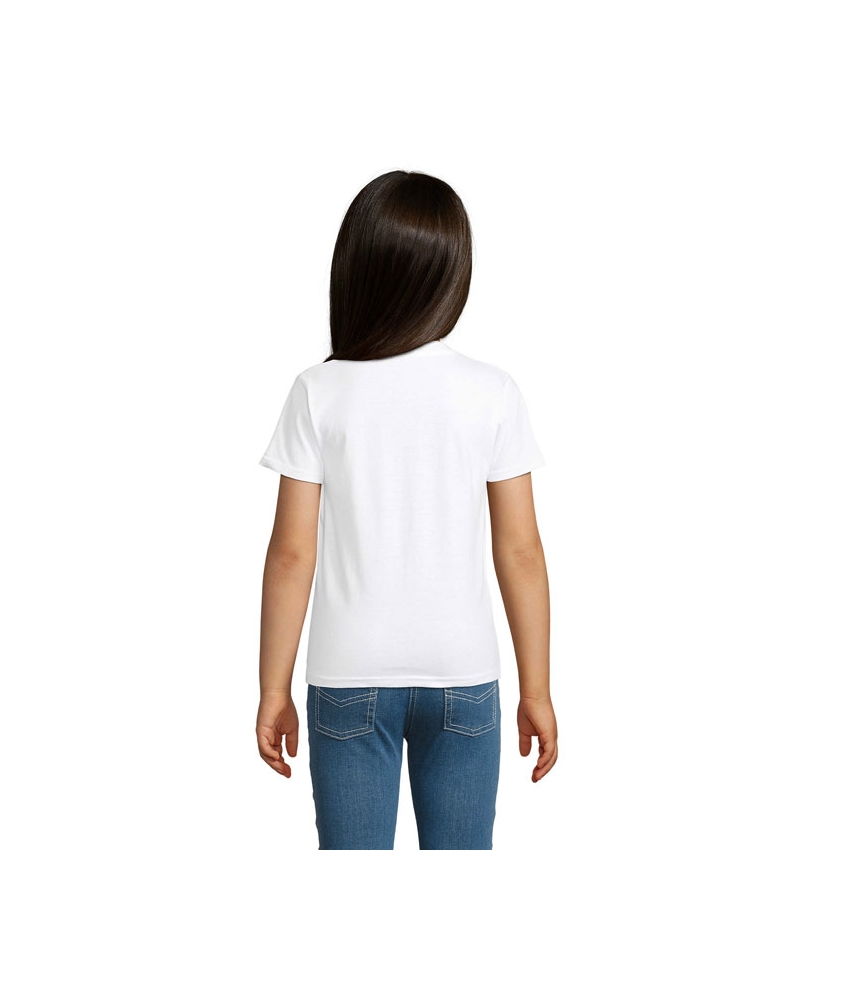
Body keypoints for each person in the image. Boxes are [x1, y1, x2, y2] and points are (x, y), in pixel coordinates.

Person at [255, 170, 558, 850]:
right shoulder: (492, 392)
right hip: (463, 673)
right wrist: (536, 690)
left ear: (356, 268)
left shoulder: (318, 390)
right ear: (453, 273)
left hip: (348, 675)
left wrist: (273, 688)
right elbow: (521, 551)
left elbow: (292, 553)